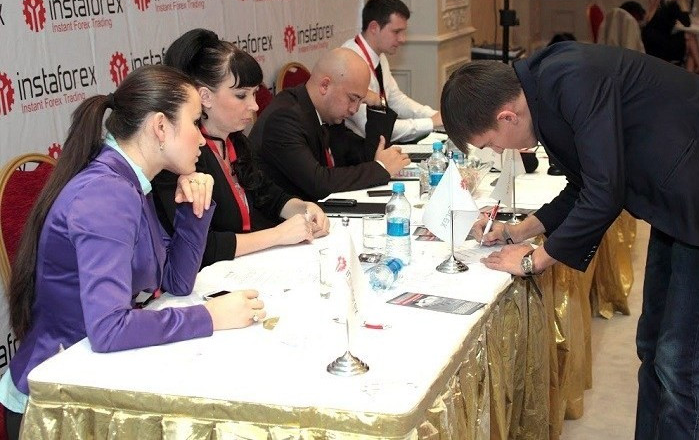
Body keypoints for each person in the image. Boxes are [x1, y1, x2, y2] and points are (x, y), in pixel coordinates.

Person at [439, 42, 699, 440]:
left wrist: (534, 260)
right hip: (675, 193)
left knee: (679, 359)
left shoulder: (571, 80)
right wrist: (520, 230)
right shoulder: (541, 90)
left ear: (507, 116)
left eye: (490, 142)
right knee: (652, 344)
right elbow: (585, 183)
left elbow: (604, 193)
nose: (497, 150)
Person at [0, 66, 265, 440]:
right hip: (52, 407)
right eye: (195, 122)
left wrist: (194, 211)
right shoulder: (107, 192)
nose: (202, 137)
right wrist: (209, 316)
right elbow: (108, 329)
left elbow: (176, 281)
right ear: (160, 127)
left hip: (88, 381)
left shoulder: (129, 180)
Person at [153, 29, 330, 269]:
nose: (254, 105)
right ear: (205, 96)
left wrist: (305, 208)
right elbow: (204, 247)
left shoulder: (236, 142)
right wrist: (278, 235)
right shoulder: (182, 157)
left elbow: (268, 195)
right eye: (241, 96)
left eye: (254, 93)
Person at [249, 48, 410, 201]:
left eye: (360, 100)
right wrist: (380, 167)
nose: (354, 109)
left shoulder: (327, 114)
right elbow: (320, 183)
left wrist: (377, 104)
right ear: (325, 86)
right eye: (352, 98)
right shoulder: (284, 119)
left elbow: (365, 157)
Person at [341, 0, 442, 143]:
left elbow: (395, 99)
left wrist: (433, 115)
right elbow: (372, 127)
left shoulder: (379, 54)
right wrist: (430, 123)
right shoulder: (350, 60)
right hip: (356, 146)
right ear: (374, 27)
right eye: (396, 32)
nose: (402, 39)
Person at [643, 0, 699, 79]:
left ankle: (691, 78)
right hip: (662, 48)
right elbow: (687, 23)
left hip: (650, 46)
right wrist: (683, 1)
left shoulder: (658, 4)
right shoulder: (671, 4)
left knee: (690, 47)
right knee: (691, 38)